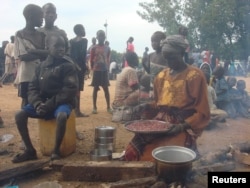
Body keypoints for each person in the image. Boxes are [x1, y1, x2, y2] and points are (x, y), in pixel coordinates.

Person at [123, 35, 210, 161]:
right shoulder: (161, 76)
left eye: (172, 58)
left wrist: (181, 126)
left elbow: (202, 112)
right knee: (132, 151)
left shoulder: (195, 76)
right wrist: (146, 106)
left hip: (182, 125)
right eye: (166, 58)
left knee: (160, 157)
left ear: (181, 53)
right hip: (160, 122)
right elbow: (158, 105)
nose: (168, 62)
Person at [12, 33, 78, 163]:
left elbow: (69, 90)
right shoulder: (41, 66)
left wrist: (48, 105)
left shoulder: (68, 66)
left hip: (61, 102)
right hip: (42, 103)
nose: (61, 49)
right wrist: (37, 104)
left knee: (61, 116)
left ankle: (56, 150)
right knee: (20, 114)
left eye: (63, 46)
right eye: (57, 46)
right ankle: (30, 150)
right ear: (48, 47)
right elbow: (32, 88)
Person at [14, 4, 47, 108]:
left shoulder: (42, 35)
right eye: (40, 16)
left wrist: (32, 51)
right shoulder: (20, 34)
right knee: (25, 100)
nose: (43, 19)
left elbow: (47, 54)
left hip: (40, 74)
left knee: (42, 100)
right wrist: (41, 53)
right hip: (26, 75)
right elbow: (23, 56)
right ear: (30, 16)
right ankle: (22, 123)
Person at [90, 30, 112, 114]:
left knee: (106, 88)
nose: (101, 37)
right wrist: (92, 68)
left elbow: (108, 58)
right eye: (99, 36)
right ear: (97, 37)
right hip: (96, 70)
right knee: (95, 88)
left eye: (102, 36)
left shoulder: (108, 48)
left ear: (104, 37)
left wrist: (107, 68)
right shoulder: (94, 48)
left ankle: (108, 107)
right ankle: (94, 107)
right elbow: (91, 59)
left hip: (104, 70)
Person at [69, 24, 89, 117]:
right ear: (80, 30)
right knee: (78, 89)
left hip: (72, 66)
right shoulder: (84, 41)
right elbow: (82, 54)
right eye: (84, 29)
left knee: (72, 88)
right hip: (80, 67)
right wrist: (84, 66)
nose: (84, 31)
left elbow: (70, 55)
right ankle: (77, 110)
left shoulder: (71, 41)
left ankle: (73, 109)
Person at [142, 31, 167, 98]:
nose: (153, 43)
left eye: (155, 41)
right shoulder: (150, 55)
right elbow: (150, 72)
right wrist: (143, 64)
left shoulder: (166, 56)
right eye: (152, 41)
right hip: (152, 86)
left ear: (162, 41)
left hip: (163, 85)